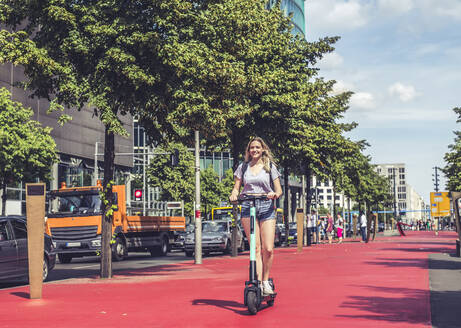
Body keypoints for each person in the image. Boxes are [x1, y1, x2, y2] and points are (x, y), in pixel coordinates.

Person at [229, 137, 283, 296]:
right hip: (247, 206)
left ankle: (266, 281)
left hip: (266, 205)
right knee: (256, 248)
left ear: (263, 149)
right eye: (252, 148)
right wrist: (233, 195)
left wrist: (274, 194)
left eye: (257, 147)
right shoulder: (243, 167)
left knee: (269, 248)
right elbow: (236, 188)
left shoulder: (270, 166)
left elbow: (279, 190)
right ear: (248, 150)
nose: (254, 150)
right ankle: (259, 283)